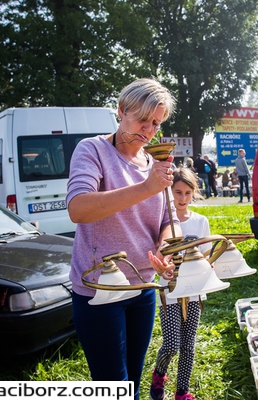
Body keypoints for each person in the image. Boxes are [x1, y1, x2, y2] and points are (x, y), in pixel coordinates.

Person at [67, 77, 182, 400]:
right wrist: (146, 187)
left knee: (132, 377)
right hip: (99, 289)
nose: (148, 130)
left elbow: (167, 220)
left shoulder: (155, 163)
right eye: (142, 120)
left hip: (142, 286)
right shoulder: (93, 150)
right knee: (112, 385)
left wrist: (167, 246)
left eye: (156, 123)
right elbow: (78, 208)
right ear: (121, 110)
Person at [150, 167, 210, 400]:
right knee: (173, 343)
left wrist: (208, 266)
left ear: (194, 193)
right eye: (177, 192)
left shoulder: (200, 221)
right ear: (169, 192)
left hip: (194, 292)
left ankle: (182, 391)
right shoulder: (163, 222)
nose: (182, 198)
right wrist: (163, 271)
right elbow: (158, 257)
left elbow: (205, 255)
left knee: (188, 344)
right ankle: (159, 373)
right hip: (170, 292)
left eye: (187, 193)